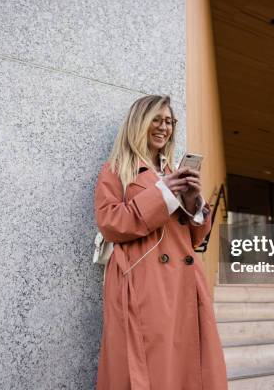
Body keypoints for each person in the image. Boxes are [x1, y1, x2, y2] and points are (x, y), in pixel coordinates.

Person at [94, 95, 228, 389]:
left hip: (183, 281)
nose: (163, 127)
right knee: (148, 365)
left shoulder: (172, 173)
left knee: (184, 365)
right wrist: (163, 194)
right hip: (143, 281)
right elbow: (110, 223)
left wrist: (194, 203)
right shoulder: (117, 169)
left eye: (168, 121)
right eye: (156, 119)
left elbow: (194, 238)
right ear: (138, 122)